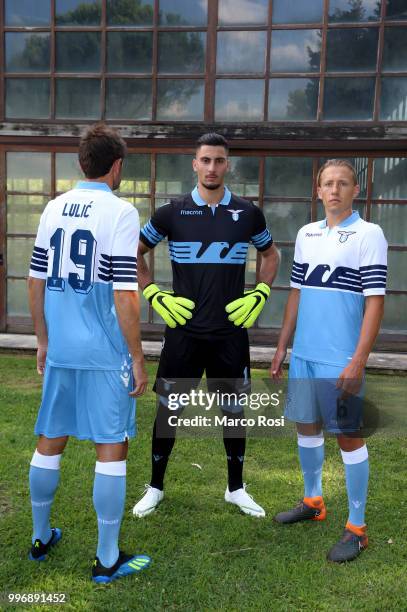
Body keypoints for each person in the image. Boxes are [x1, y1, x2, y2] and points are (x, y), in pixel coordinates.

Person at [132, 133, 280, 519]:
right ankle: (156, 487)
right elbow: (136, 252)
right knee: (170, 410)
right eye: (205, 160)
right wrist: (153, 295)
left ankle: (236, 488)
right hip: (183, 334)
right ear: (194, 164)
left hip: (230, 333)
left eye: (219, 160)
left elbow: (271, 254)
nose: (212, 167)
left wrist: (261, 291)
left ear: (227, 164)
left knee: (234, 411)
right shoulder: (171, 212)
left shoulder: (248, 213)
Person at [27, 124, 151, 583]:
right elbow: (125, 294)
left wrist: (43, 339)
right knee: (111, 447)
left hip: (61, 347)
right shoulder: (120, 212)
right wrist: (137, 356)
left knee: (50, 439)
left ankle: (41, 538)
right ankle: (106, 558)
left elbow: (34, 281)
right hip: (103, 352)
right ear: (116, 166)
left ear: (83, 163)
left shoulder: (53, 206)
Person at [271, 159, 387, 563]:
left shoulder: (369, 234)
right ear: (317, 191)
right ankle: (313, 500)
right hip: (305, 352)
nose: (334, 190)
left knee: (348, 436)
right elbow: (297, 293)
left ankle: (357, 528)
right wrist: (283, 345)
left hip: (340, 358)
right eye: (327, 184)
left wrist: (358, 360)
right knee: (307, 427)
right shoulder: (307, 234)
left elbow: (375, 302)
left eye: (342, 183)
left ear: (357, 190)